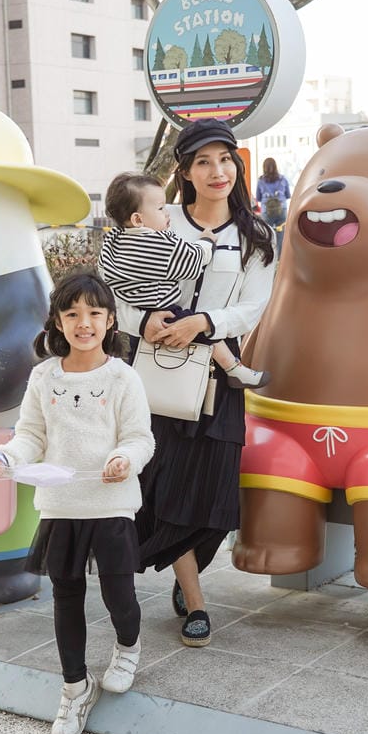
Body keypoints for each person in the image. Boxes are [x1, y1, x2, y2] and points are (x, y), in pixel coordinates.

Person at [0, 271, 154, 734]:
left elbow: (140, 438)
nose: (83, 323)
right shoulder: (44, 376)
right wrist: (4, 459)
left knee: (118, 594)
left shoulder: (123, 377)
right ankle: (75, 686)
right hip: (60, 506)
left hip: (111, 504)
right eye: (72, 314)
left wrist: (124, 459)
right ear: (57, 320)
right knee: (66, 597)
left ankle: (128, 647)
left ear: (110, 320)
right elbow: (30, 435)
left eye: (94, 313)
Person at [114, 118, 276, 648]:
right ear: (184, 172)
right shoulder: (161, 222)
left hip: (217, 379)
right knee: (167, 492)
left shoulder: (256, 237)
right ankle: (196, 599)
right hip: (160, 375)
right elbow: (121, 291)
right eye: (203, 162)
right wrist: (145, 323)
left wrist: (204, 322)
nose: (217, 171)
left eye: (225, 160)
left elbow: (253, 307)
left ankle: (185, 570)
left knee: (215, 501)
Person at [99, 171, 268, 389]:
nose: (167, 212)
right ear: (138, 219)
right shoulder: (158, 245)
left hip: (138, 315)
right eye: (161, 208)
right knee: (205, 331)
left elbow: (105, 278)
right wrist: (206, 242)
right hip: (164, 310)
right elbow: (192, 262)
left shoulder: (113, 241)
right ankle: (234, 369)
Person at [256, 157, 291, 256]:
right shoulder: (283, 179)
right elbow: (288, 195)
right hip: (281, 209)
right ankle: (279, 258)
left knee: (267, 234)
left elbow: (258, 198)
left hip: (266, 211)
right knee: (281, 234)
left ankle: (269, 256)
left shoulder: (261, 181)